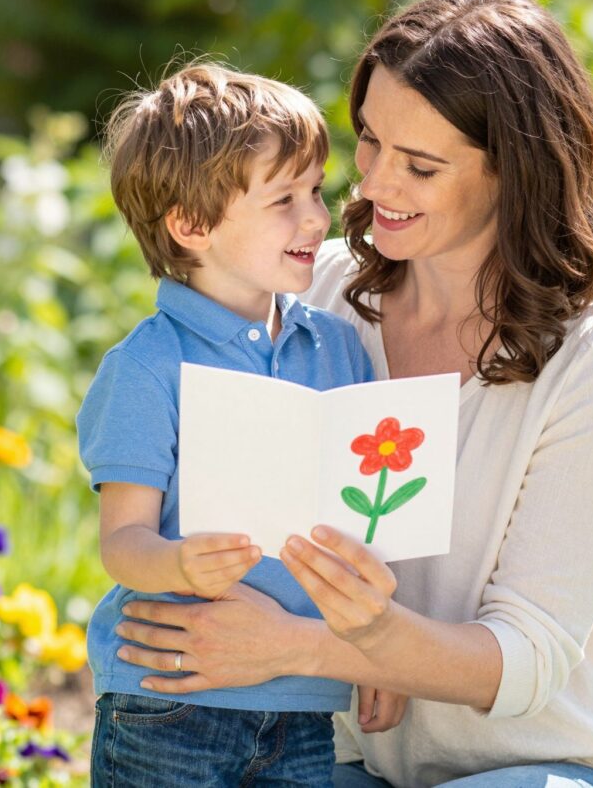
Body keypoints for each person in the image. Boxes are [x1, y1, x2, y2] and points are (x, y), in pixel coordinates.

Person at [112, 0, 593, 788]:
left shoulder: (592, 367)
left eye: (421, 166)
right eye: (369, 141)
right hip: (367, 763)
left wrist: (322, 649)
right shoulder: (315, 298)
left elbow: (525, 659)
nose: (374, 186)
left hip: (562, 761)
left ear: (514, 173)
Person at [76, 61, 405, 787]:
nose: (315, 219)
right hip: (170, 699)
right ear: (191, 225)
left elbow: (364, 527)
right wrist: (179, 565)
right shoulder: (148, 366)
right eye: (283, 199)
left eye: (314, 190)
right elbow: (123, 543)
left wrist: (378, 652)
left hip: (303, 706)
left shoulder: (336, 347)